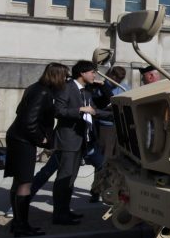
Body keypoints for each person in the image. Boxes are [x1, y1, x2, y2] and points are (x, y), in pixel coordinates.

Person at [3, 62, 68, 236]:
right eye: (64, 76)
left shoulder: (35, 87)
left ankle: (18, 223)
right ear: (57, 76)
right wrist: (42, 138)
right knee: (25, 182)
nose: (66, 79)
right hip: (23, 140)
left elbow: (20, 112)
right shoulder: (43, 92)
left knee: (19, 181)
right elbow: (29, 121)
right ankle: (21, 226)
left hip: (17, 137)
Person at [51, 60, 109, 225]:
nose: (94, 75)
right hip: (68, 140)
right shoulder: (66, 87)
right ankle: (59, 215)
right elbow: (59, 111)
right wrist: (79, 110)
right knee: (64, 178)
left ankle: (65, 211)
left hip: (81, 140)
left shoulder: (86, 91)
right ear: (82, 73)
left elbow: (98, 107)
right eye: (92, 72)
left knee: (71, 178)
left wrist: (103, 85)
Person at [89, 66, 129, 202]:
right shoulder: (99, 86)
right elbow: (95, 105)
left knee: (118, 161)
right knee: (103, 161)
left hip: (119, 128)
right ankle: (96, 190)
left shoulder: (124, 87)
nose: (115, 80)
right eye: (114, 77)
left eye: (119, 78)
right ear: (109, 74)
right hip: (105, 128)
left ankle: (114, 192)